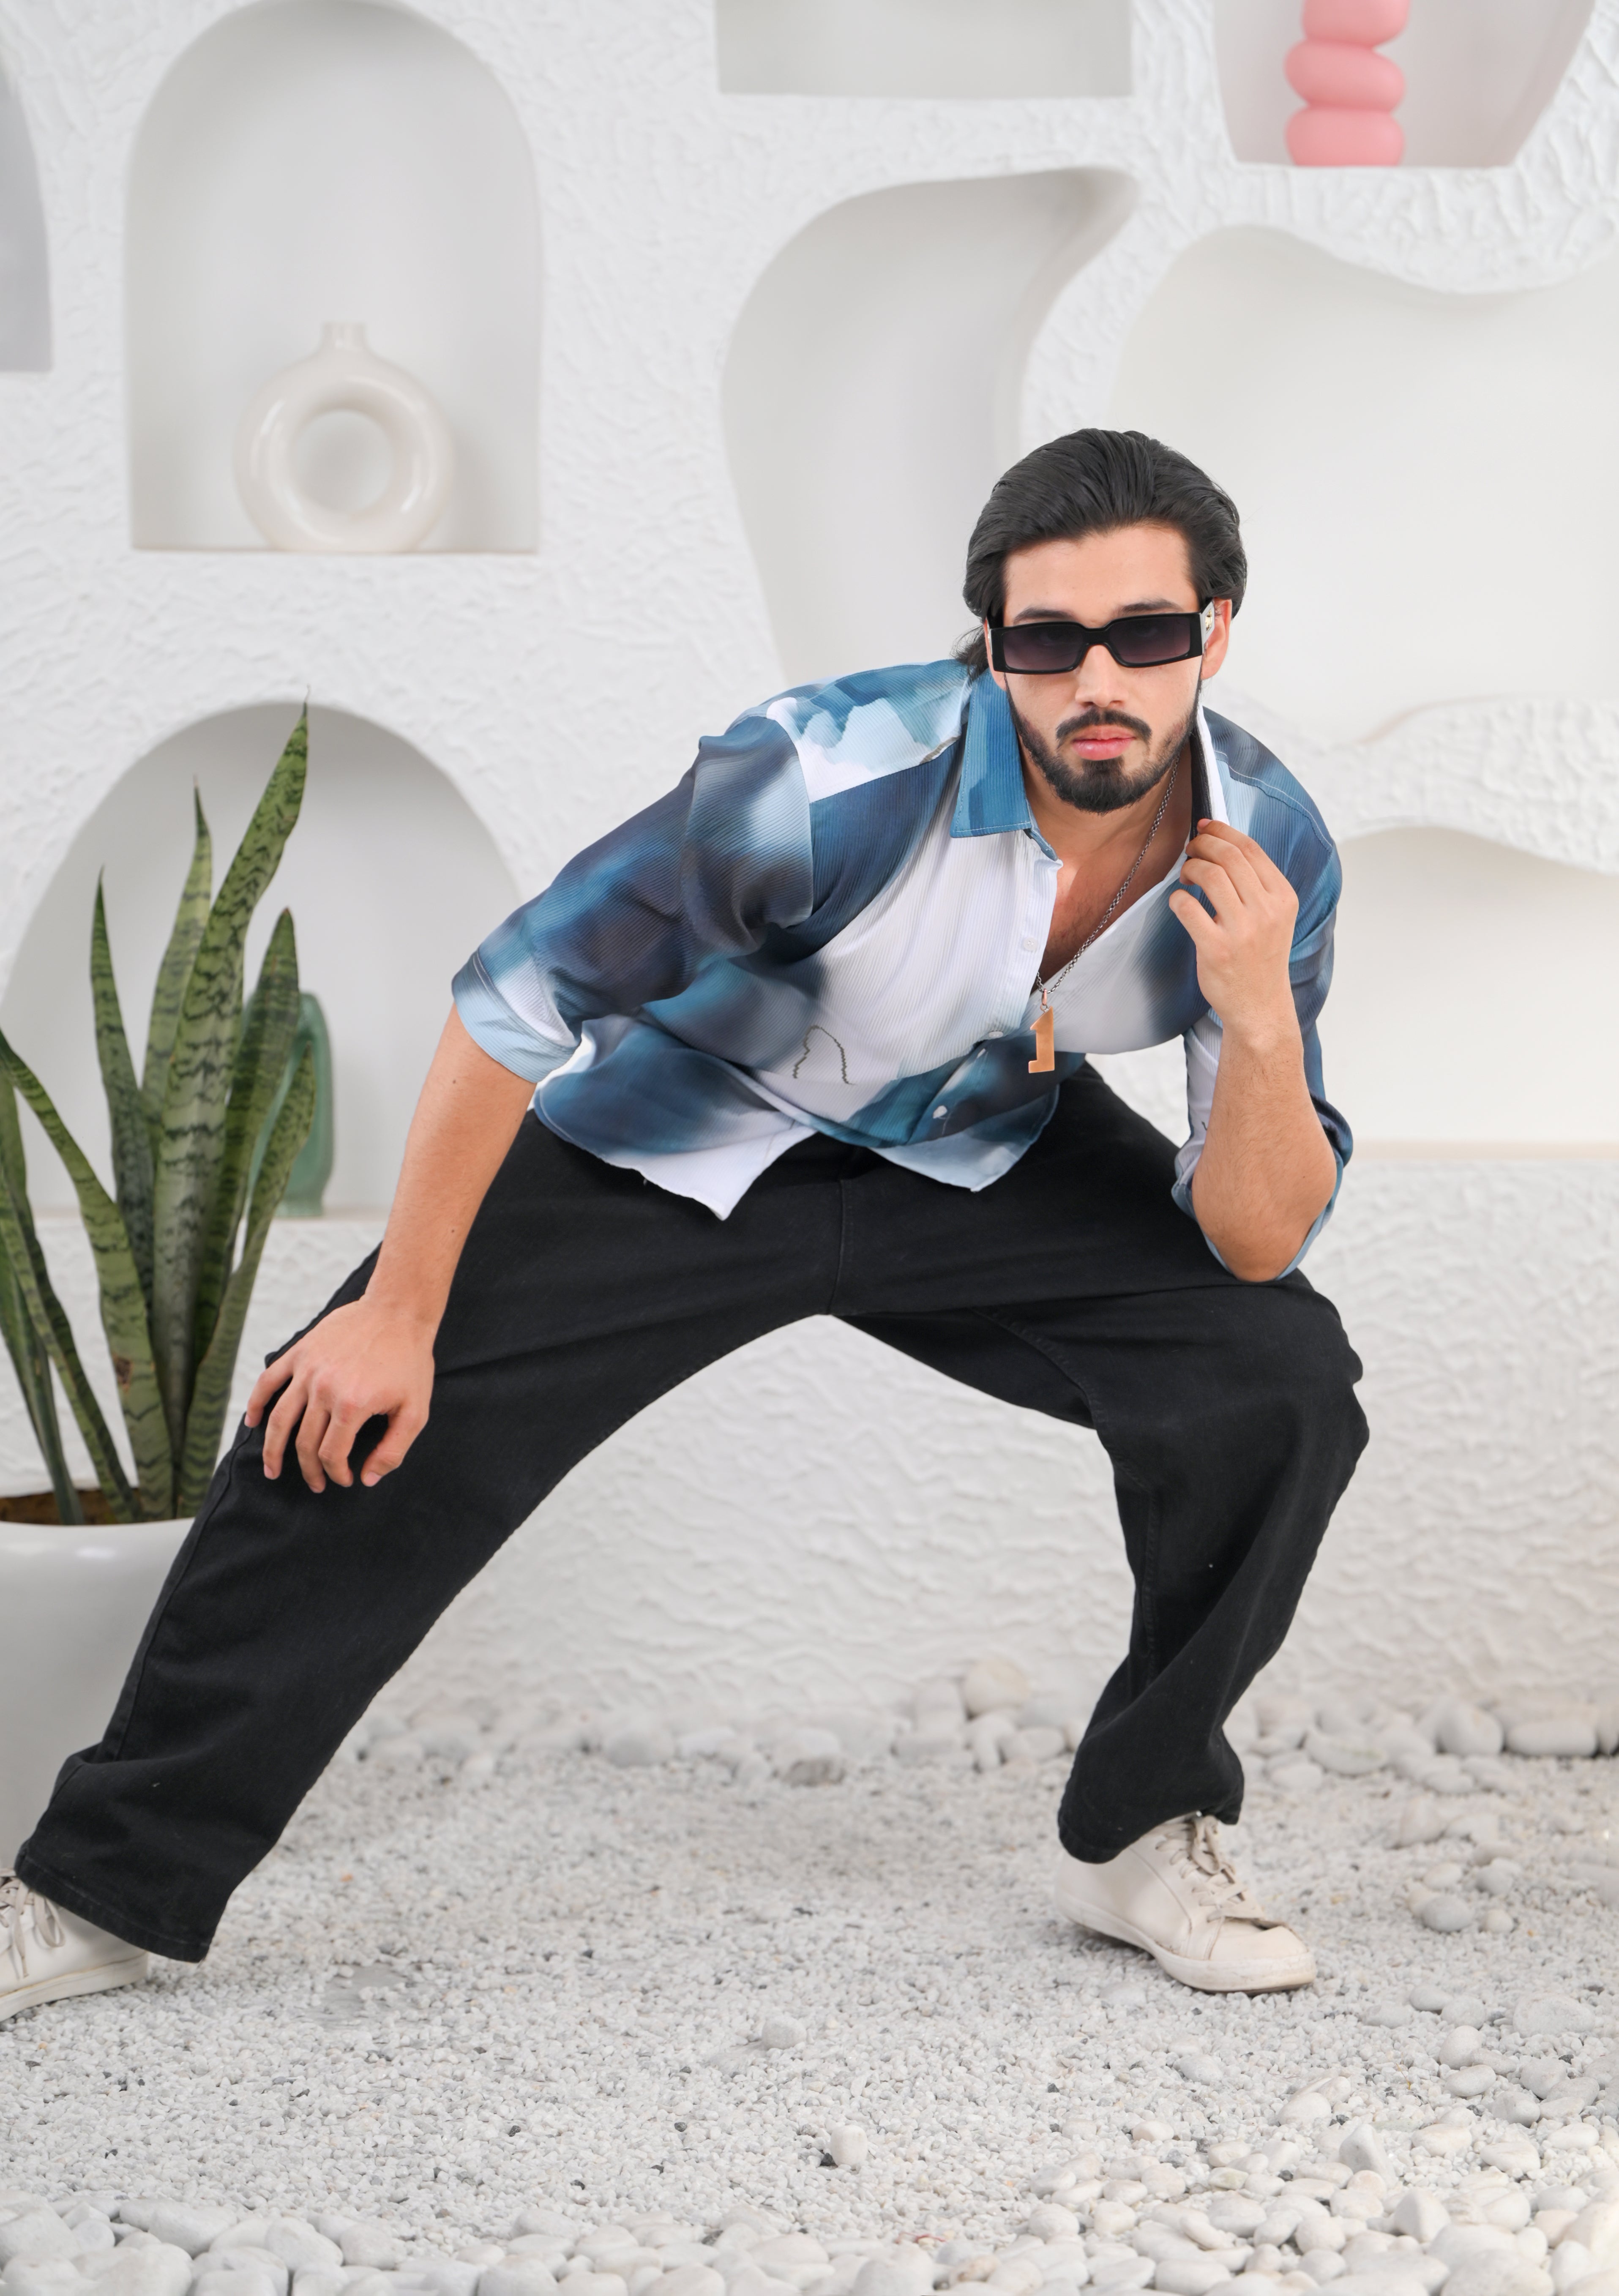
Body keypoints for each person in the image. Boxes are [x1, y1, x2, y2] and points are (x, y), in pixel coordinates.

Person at [1, 429, 1366, 2020]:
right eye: (1048, 640)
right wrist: (398, 1311)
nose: (1098, 680)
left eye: (1144, 632)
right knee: (350, 1419)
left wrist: (1257, 1015)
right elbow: (516, 999)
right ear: (994, 642)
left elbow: (1256, 1236)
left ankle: (1140, 1829)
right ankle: (98, 1892)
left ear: (1215, 631)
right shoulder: (824, 779)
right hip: (700, 1117)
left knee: (1279, 1379)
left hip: (977, 1134)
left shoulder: (1271, 854)